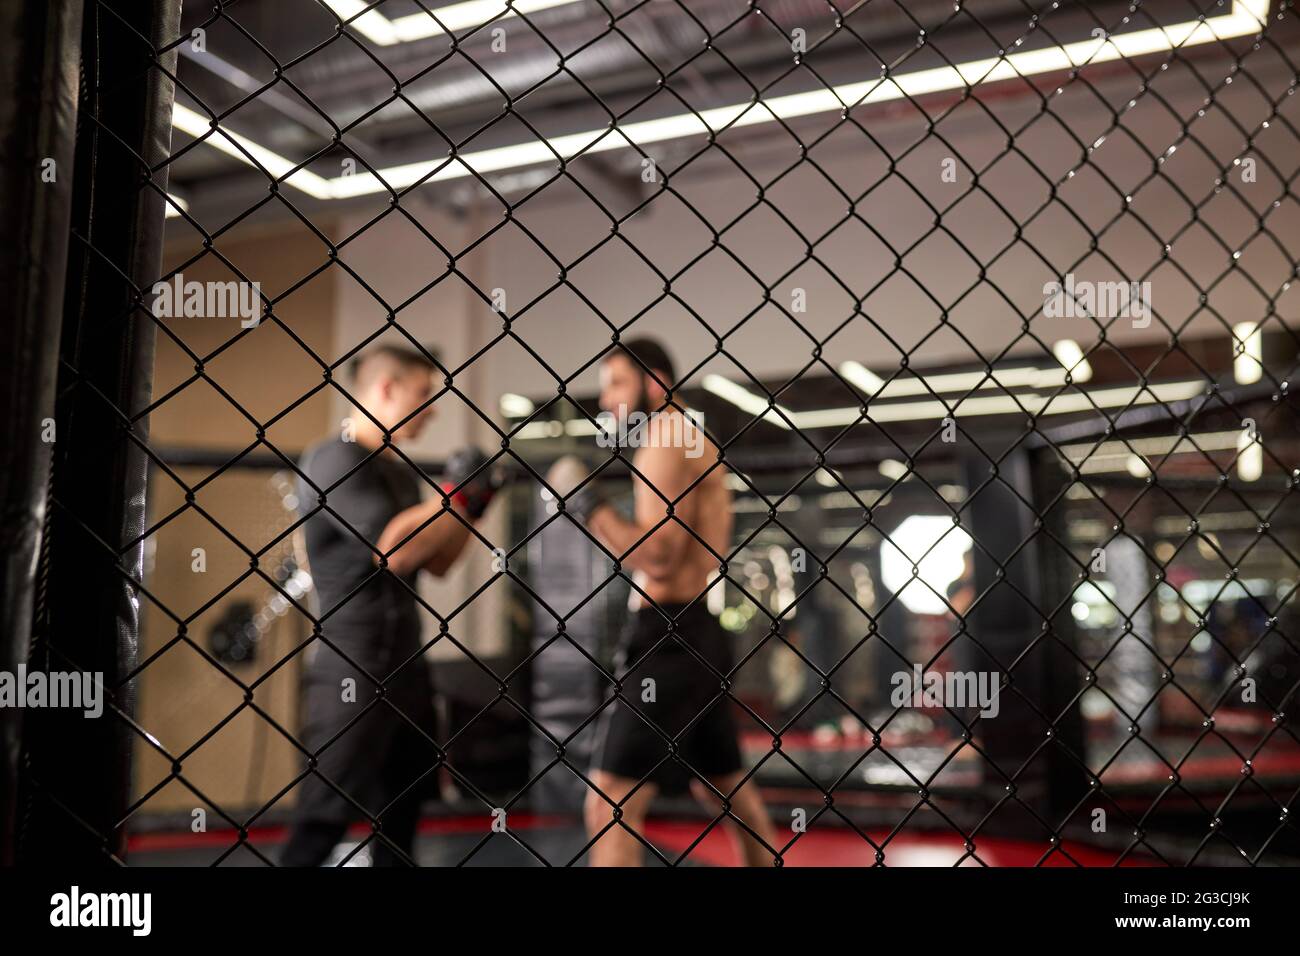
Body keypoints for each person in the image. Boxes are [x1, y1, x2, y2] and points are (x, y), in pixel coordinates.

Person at [547, 337, 777, 866]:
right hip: (698, 630)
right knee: (723, 786)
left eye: (617, 384)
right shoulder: (692, 437)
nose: (606, 401)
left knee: (610, 803)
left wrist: (588, 505)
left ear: (655, 383)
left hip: (670, 638)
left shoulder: (665, 436)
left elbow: (659, 556)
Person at [281, 344, 501, 866]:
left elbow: (438, 558)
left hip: (406, 667)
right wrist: (456, 495)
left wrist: (472, 506)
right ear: (385, 389)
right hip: (350, 667)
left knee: (402, 816)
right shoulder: (333, 459)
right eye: (425, 394)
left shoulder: (398, 473)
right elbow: (395, 550)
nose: (433, 408)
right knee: (323, 820)